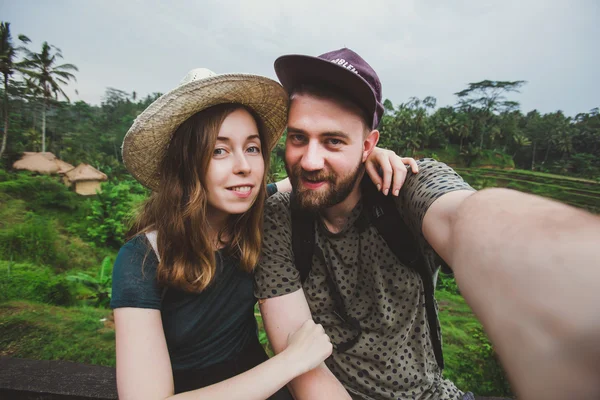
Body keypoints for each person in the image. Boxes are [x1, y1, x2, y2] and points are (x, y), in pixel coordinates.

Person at [254, 48, 600, 400]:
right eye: (298, 138)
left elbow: (462, 217)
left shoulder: (407, 187)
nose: (310, 160)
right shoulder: (280, 216)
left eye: (333, 141)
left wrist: (569, 271)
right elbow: (302, 363)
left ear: (368, 145)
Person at [111, 67, 416, 400]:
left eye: (252, 148)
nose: (244, 166)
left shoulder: (252, 217)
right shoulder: (141, 259)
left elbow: (312, 180)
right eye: (219, 150)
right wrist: (290, 362)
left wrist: (368, 156)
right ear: (186, 164)